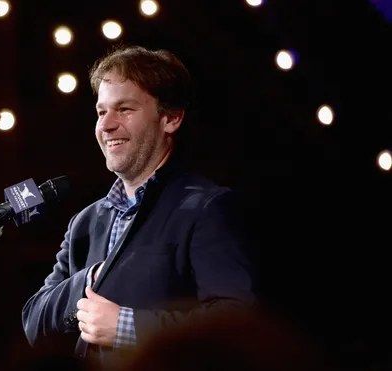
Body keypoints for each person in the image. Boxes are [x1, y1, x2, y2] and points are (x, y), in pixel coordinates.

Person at [21, 45, 256, 368]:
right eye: (102, 112)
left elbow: (233, 322)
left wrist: (125, 328)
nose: (107, 125)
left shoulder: (205, 207)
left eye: (125, 110)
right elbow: (34, 321)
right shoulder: (86, 223)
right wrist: (88, 279)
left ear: (171, 118)